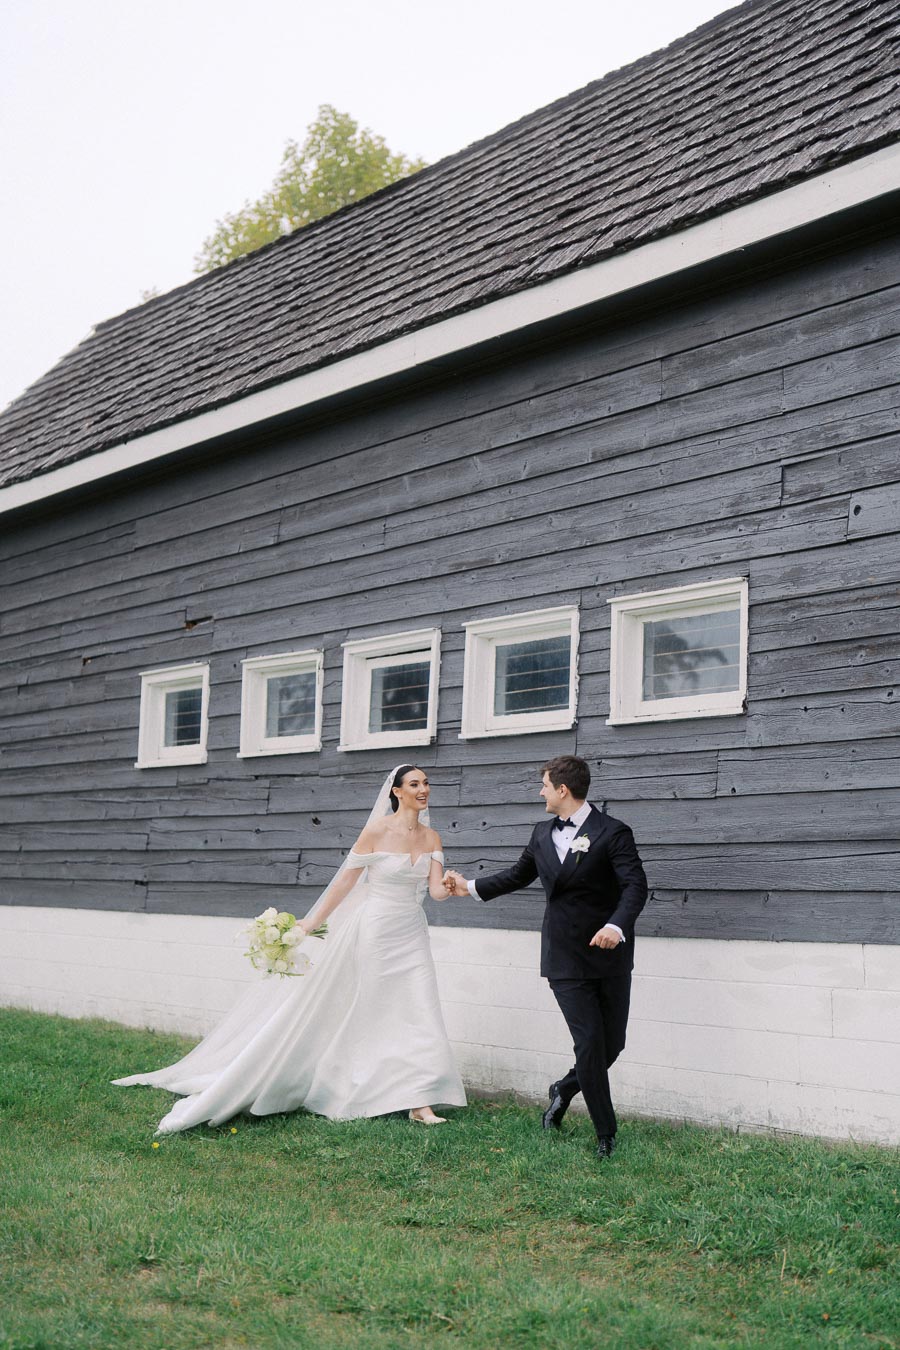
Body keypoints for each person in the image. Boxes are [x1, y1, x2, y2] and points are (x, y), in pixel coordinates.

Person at [114, 765, 466, 1131]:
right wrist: (310, 923)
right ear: (396, 792)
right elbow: (346, 882)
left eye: (425, 783)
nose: (423, 789)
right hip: (376, 932)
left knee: (420, 1007)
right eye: (414, 784)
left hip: (411, 933)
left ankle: (419, 1100)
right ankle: (367, 1087)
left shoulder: (432, 837)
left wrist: (452, 884)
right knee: (382, 1010)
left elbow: (436, 892)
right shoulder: (376, 831)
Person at [443, 755, 647, 1159]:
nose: (541, 792)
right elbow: (518, 875)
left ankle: (564, 1087)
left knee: (612, 1045)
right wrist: (469, 886)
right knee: (589, 1042)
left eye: (545, 785)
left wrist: (616, 926)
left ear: (562, 790)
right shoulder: (541, 834)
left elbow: (635, 887)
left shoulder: (613, 832)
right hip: (564, 956)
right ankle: (605, 1133)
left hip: (609, 955)